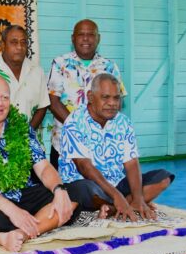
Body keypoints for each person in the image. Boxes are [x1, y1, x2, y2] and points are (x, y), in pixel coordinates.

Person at [0, 74, 80, 252]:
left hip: (21, 193)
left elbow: (43, 167)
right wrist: (12, 211)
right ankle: (30, 224)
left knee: (73, 196)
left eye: (5, 97)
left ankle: (21, 233)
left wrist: (59, 190)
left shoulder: (21, 126)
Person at [59, 73, 174, 221]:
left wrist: (138, 197)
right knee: (86, 190)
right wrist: (116, 195)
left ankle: (116, 207)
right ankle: (121, 202)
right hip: (87, 184)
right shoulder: (74, 122)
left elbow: (131, 163)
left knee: (163, 178)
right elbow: (84, 167)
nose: (112, 103)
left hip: (116, 182)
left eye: (116, 98)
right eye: (105, 97)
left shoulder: (123, 122)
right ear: (91, 97)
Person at [47, 19, 127, 169]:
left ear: (98, 38)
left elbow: (117, 102)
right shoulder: (60, 63)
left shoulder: (109, 66)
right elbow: (53, 101)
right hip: (64, 144)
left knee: (99, 184)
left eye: (91, 34)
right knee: (61, 184)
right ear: (73, 38)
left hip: (100, 146)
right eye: (81, 34)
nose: (85, 39)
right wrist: (79, 128)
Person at [0, 25, 49, 129]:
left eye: (23, 42)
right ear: (3, 45)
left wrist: (28, 133)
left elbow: (42, 106)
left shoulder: (37, 71)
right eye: (14, 42)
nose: (19, 47)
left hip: (29, 137)